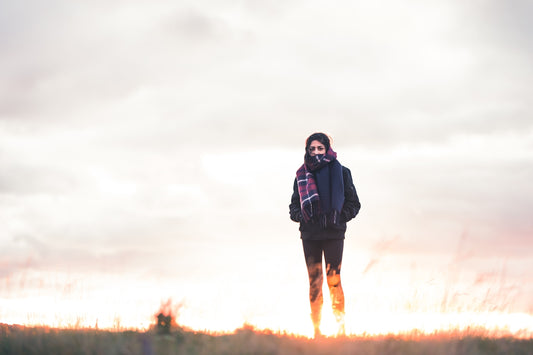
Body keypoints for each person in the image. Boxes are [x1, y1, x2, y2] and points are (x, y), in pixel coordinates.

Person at [289, 132, 361, 338]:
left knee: (334, 280)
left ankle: (341, 330)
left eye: (320, 148)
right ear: (307, 151)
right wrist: (302, 217)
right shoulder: (301, 175)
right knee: (315, 281)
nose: (316, 152)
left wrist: (338, 218)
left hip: (333, 234)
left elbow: (354, 204)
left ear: (327, 149)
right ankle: (317, 331)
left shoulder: (342, 172)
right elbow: (294, 205)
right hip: (310, 235)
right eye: (312, 149)